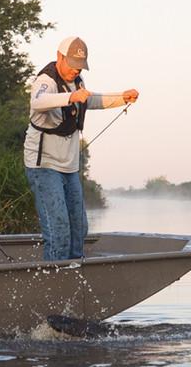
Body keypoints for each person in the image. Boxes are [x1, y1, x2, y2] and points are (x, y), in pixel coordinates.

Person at [24, 36, 139, 260]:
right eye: (73, 66)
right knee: (58, 229)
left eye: (80, 67)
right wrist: (70, 96)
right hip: (44, 165)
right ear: (60, 57)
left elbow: (90, 100)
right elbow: (37, 102)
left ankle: (75, 273)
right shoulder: (45, 81)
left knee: (79, 228)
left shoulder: (78, 82)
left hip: (69, 166)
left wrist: (122, 98)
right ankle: (55, 279)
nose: (76, 71)